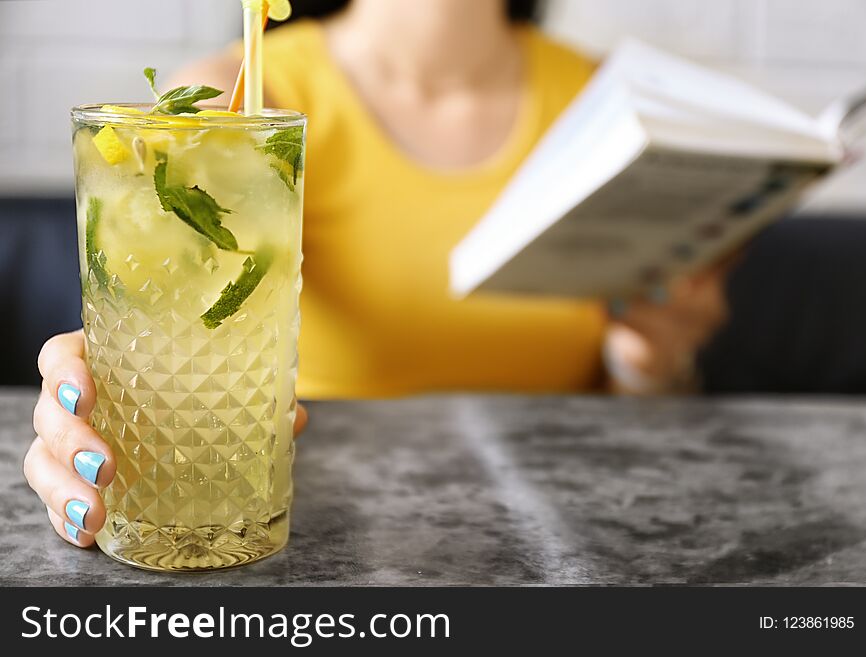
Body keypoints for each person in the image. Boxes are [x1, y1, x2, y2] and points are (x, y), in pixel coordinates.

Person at [24, 0, 728, 547]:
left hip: (573, 528)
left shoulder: (615, 103)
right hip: (315, 525)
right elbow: (161, 329)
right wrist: (96, 396)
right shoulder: (239, 99)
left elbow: (645, 429)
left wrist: (653, 366)